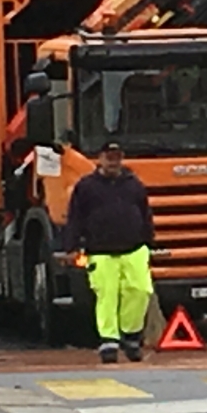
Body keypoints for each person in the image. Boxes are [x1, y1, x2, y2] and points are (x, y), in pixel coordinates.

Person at [64, 140, 154, 363]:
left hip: (134, 249)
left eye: (117, 157)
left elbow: (145, 212)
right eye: (109, 156)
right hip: (100, 251)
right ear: (100, 158)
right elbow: (75, 218)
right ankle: (109, 342)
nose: (113, 161)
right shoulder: (86, 187)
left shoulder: (134, 184)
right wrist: (71, 246)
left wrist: (149, 240)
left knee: (140, 291)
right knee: (107, 295)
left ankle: (131, 335)